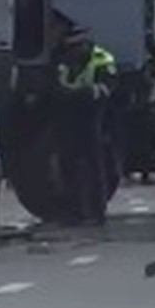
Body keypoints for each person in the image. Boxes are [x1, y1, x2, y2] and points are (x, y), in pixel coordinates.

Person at [54, 27, 117, 224]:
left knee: (93, 165)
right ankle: (74, 212)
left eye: (75, 47)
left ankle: (97, 213)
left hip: (94, 115)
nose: (72, 52)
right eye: (69, 48)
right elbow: (57, 89)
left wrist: (79, 94)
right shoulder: (64, 61)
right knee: (68, 164)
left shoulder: (102, 59)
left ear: (84, 45)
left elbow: (105, 89)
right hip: (69, 116)